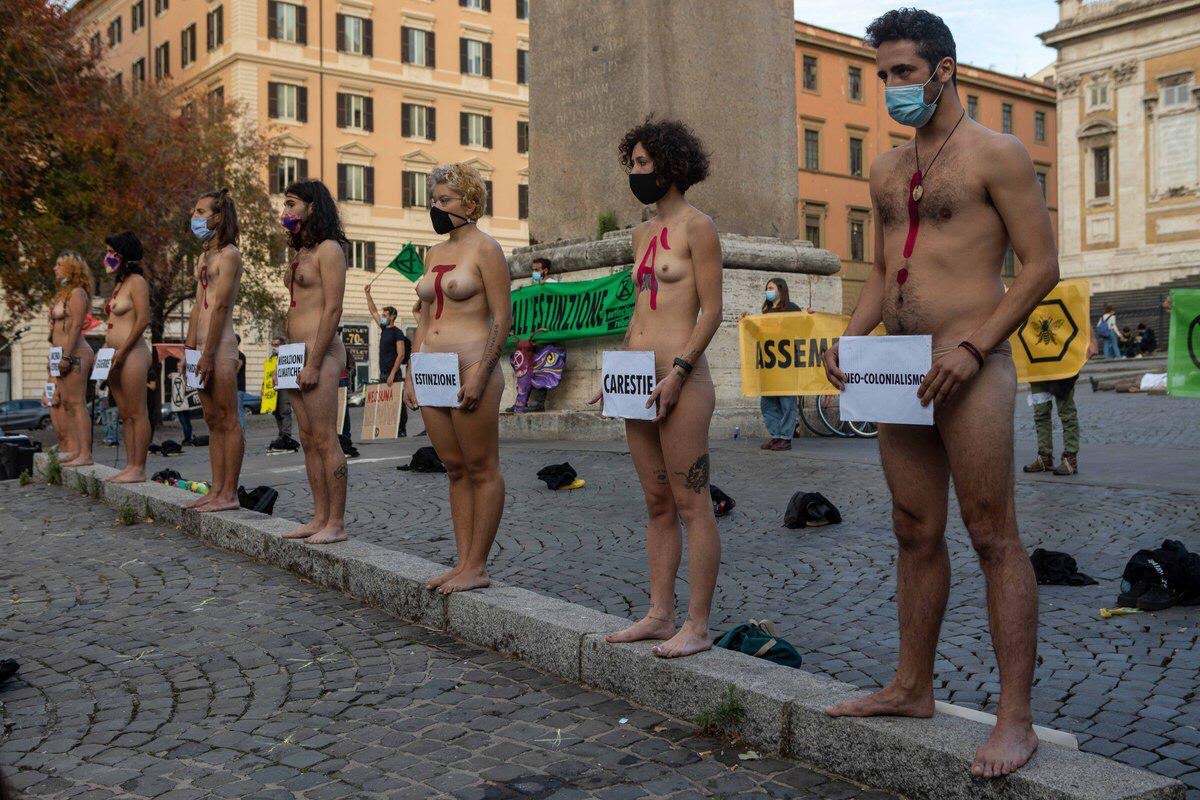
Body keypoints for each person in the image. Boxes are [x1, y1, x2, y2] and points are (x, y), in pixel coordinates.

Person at [820, 10, 1059, 777]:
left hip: (971, 362)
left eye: (902, 73)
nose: (891, 87)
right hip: (899, 366)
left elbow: (1039, 268)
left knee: (993, 534)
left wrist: (974, 345)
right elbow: (880, 269)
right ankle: (910, 686)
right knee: (912, 530)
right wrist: (854, 338)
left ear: (944, 69)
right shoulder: (886, 169)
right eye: (883, 74)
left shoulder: (1000, 153)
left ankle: (1015, 719)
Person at [591, 118, 723, 659]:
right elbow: (641, 310)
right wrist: (615, 373)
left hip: (682, 379)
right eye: (633, 163)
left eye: (644, 163)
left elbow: (712, 311)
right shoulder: (641, 233)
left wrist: (681, 370)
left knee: (693, 502)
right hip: (637, 376)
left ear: (670, 166)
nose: (635, 173)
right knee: (655, 502)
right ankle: (658, 613)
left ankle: (697, 624)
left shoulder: (699, 227)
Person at [403, 162, 512, 593]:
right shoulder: (434, 253)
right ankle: (462, 560)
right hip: (432, 366)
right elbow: (425, 318)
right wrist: (412, 371)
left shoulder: (487, 249)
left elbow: (502, 318)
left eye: (444, 200)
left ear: (470, 202)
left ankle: (477, 566)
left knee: (481, 467)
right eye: (434, 199)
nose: (436, 207)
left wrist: (482, 374)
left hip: (471, 364)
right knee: (453, 468)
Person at [280, 180, 350, 544]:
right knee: (307, 439)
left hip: (318, 354)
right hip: (294, 354)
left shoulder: (329, 249)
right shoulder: (300, 252)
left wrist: (314, 360)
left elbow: (333, 308)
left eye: (292, 204)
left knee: (325, 438)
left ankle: (336, 522)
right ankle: (318, 516)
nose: (286, 211)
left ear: (311, 207)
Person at [182, 188, 245, 512]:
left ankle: (229, 493)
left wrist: (206, 354)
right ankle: (216, 488)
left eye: (200, 211)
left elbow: (220, 307)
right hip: (203, 346)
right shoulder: (205, 258)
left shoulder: (230, 255)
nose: (195, 217)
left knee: (227, 418)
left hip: (220, 347)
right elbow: (198, 307)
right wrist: (189, 349)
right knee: (211, 419)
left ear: (218, 218)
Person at [102, 231, 152, 483]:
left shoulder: (136, 282)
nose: (107, 258)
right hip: (114, 355)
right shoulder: (119, 285)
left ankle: (138, 467)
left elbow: (143, 319)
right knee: (124, 412)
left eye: (112, 253)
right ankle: (130, 465)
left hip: (132, 354)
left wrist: (122, 351)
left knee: (136, 411)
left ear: (123, 256)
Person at [1023, 333, 1097, 476]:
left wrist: (1092, 339)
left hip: (1062, 358)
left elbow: (1079, 310)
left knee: (1066, 410)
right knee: (1040, 411)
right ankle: (1045, 457)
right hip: (1036, 359)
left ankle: (1071, 458)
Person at [49, 252, 96, 467]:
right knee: (67, 403)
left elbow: (77, 325)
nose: (54, 268)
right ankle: (77, 450)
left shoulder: (77, 293)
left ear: (70, 268)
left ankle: (85, 454)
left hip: (74, 354)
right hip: (61, 355)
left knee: (77, 403)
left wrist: (66, 355)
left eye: (59, 265)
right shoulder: (63, 294)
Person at [745, 277, 801, 451]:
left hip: (786, 364)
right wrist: (747, 324)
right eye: (766, 288)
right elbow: (760, 335)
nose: (767, 291)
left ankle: (786, 437)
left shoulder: (792, 309)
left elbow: (803, 329)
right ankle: (776, 435)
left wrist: (809, 317)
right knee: (768, 402)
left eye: (770, 287)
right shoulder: (766, 312)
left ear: (780, 290)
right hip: (769, 365)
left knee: (787, 402)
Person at [364, 287, 410, 436]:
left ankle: (401, 429)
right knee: (385, 403)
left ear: (392, 316)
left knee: (398, 403)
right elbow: (373, 311)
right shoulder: (384, 328)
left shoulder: (398, 333)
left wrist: (392, 374)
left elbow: (401, 354)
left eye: (385, 314)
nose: (382, 316)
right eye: (383, 314)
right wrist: (368, 294)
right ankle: (387, 429)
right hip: (383, 373)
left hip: (393, 374)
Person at [267, 336, 299, 450]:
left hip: (284, 387)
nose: (274, 347)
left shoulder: (286, 357)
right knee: (276, 412)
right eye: (273, 344)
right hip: (273, 389)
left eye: (276, 345)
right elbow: (268, 374)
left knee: (284, 410)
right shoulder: (271, 358)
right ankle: (281, 434)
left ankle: (286, 435)